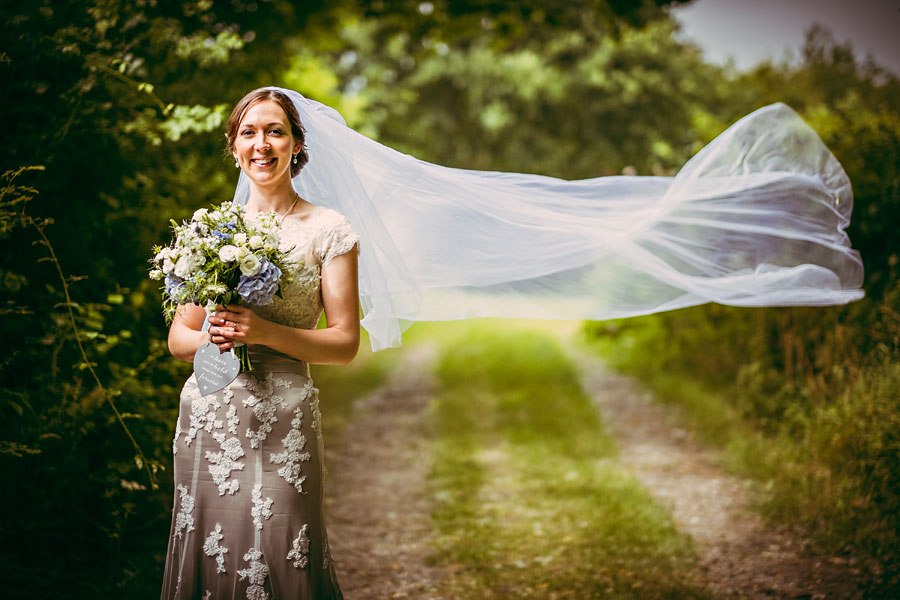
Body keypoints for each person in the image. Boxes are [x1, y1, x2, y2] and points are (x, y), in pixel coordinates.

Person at [160, 88, 358, 599]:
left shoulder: (329, 230)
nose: (262, 144)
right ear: (233, 147)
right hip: (210, 413)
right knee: (210, 553)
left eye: (275, 131)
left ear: (296, 144)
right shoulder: (209, 230)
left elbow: (344, 342)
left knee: (286, 546)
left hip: (285, 416)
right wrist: (214, 332)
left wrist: (265, 333)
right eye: (249, 132)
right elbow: (179, 340)